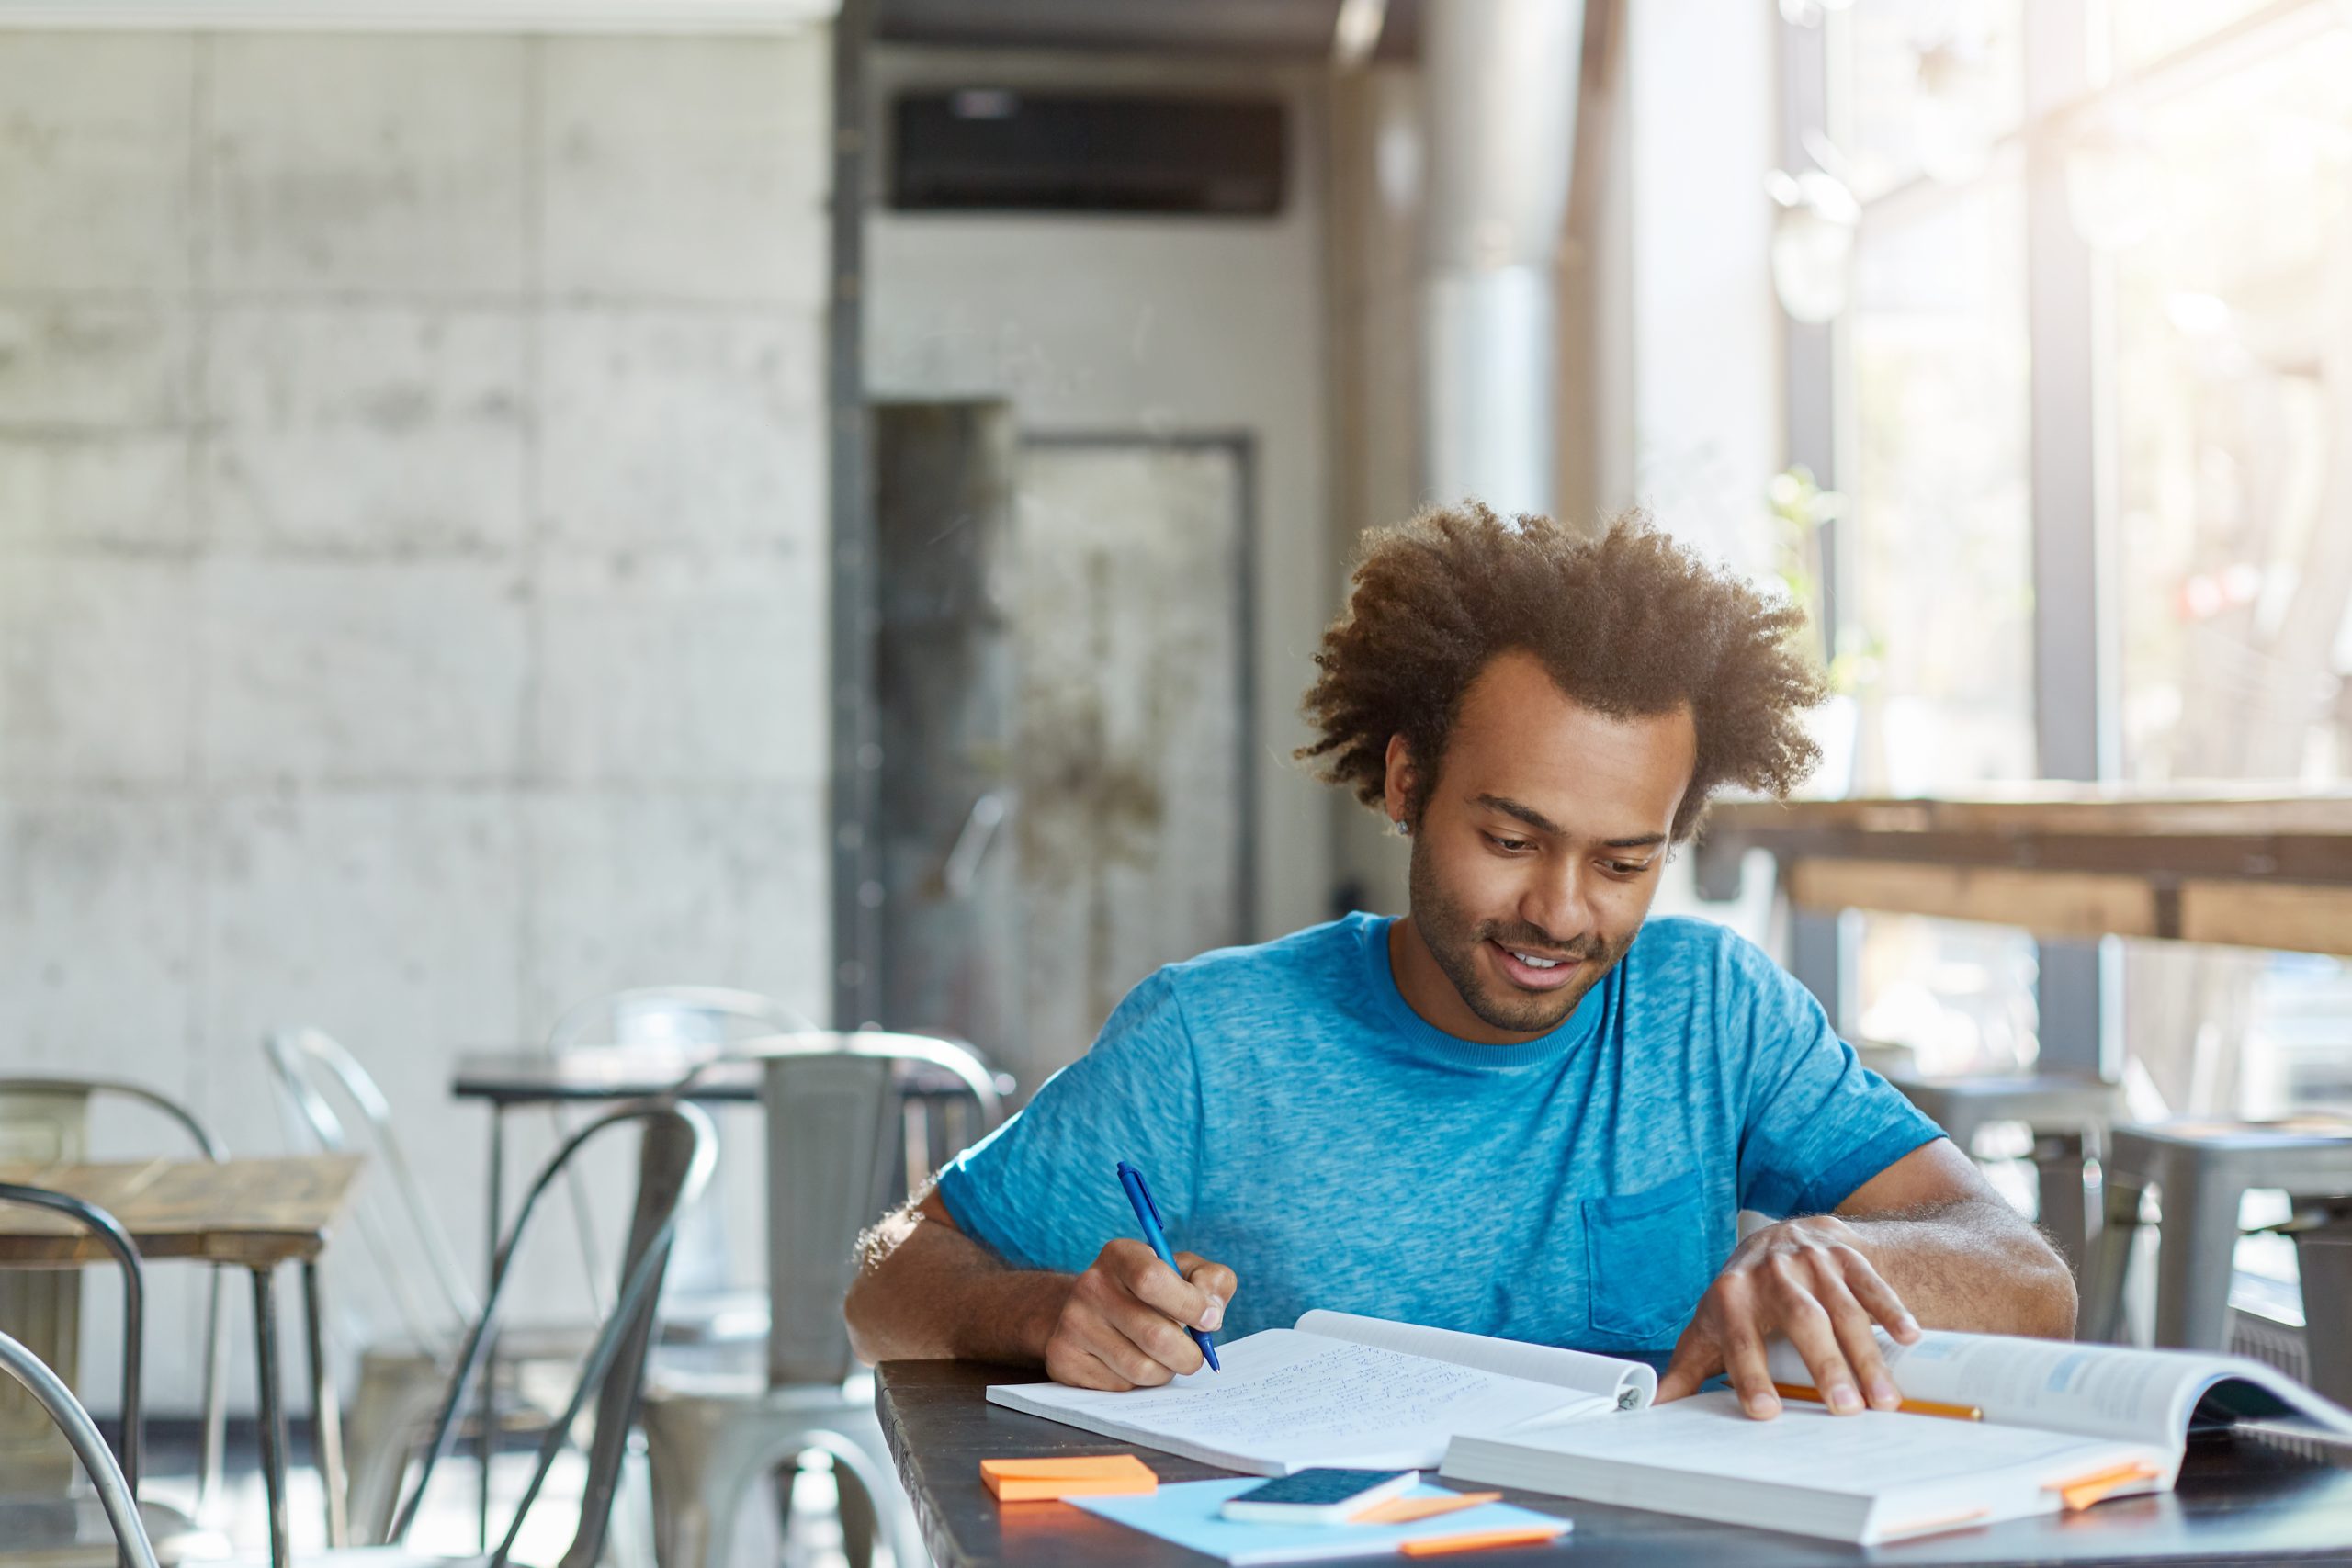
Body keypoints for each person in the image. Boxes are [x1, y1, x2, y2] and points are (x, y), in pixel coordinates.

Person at [845, 505, 2075, 1421]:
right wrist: (1039, 1312)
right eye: (1511, 839)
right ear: (1403, 782)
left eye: (1622, 862)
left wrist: (1846, 1252)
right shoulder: (1213, 1042)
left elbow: (2027, 1275)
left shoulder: (1715, 1011)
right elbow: (889, 1285)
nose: (1559, 911)